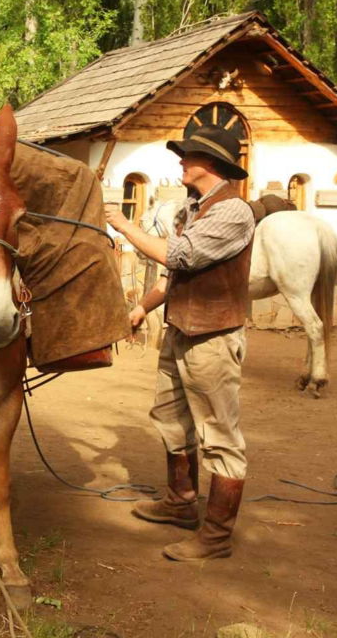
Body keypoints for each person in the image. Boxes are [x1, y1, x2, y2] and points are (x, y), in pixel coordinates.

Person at [105, 125, 255, 561]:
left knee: (220, 436)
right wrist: (143, 308)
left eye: (187, 156)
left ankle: (216, 537)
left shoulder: (233, 212)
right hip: (181, 331)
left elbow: (179, 256)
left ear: (209, 164)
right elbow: (175, 278)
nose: (180, 162)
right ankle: (181, 501)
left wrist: (122, 225)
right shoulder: (193, 210)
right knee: (170, 417)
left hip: (213, 339)